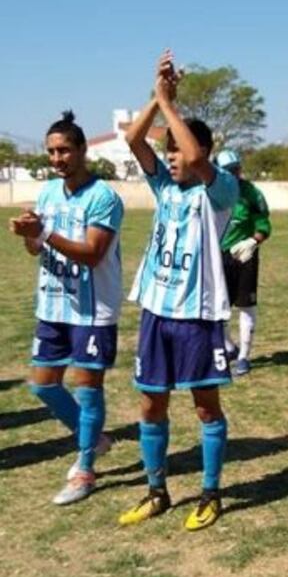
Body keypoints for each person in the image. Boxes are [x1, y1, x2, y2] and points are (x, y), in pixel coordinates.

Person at [118, 49, 239, 532]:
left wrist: (172, 104)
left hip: (198, 315)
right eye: (165, 151)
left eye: (177, 151)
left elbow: (192, 154)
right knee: (151, 403)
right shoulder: (165, 188)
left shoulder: (220, 191)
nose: (171, 159)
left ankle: (210, 493)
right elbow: (132, 139)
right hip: (157, 311)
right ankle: (156, 490)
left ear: (204, 155)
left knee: (205, 405)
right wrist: (157, 97)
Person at [8, 111, 123, 505]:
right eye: (51, 152)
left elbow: (93, 254)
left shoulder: (103, 197)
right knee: (43, 384)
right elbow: (35, 249)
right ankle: (96, 439)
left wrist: (42, 232)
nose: (57, 159)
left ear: (82, 150)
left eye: (64, 151)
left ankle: (86, 468)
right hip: (52, 306)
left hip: (93, 310)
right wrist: (30, 233)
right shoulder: (47, 194)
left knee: (89, 391)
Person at [215, 149, 271, 376]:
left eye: (236, 169)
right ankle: (228, 347)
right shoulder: (211, 193)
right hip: (219, 255)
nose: (234, 174)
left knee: (246, 305)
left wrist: (252, 242)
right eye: (228, 171)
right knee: (219, 308)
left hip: (245, 255)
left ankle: (244, 356)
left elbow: (264, 226)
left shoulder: (252, 193)